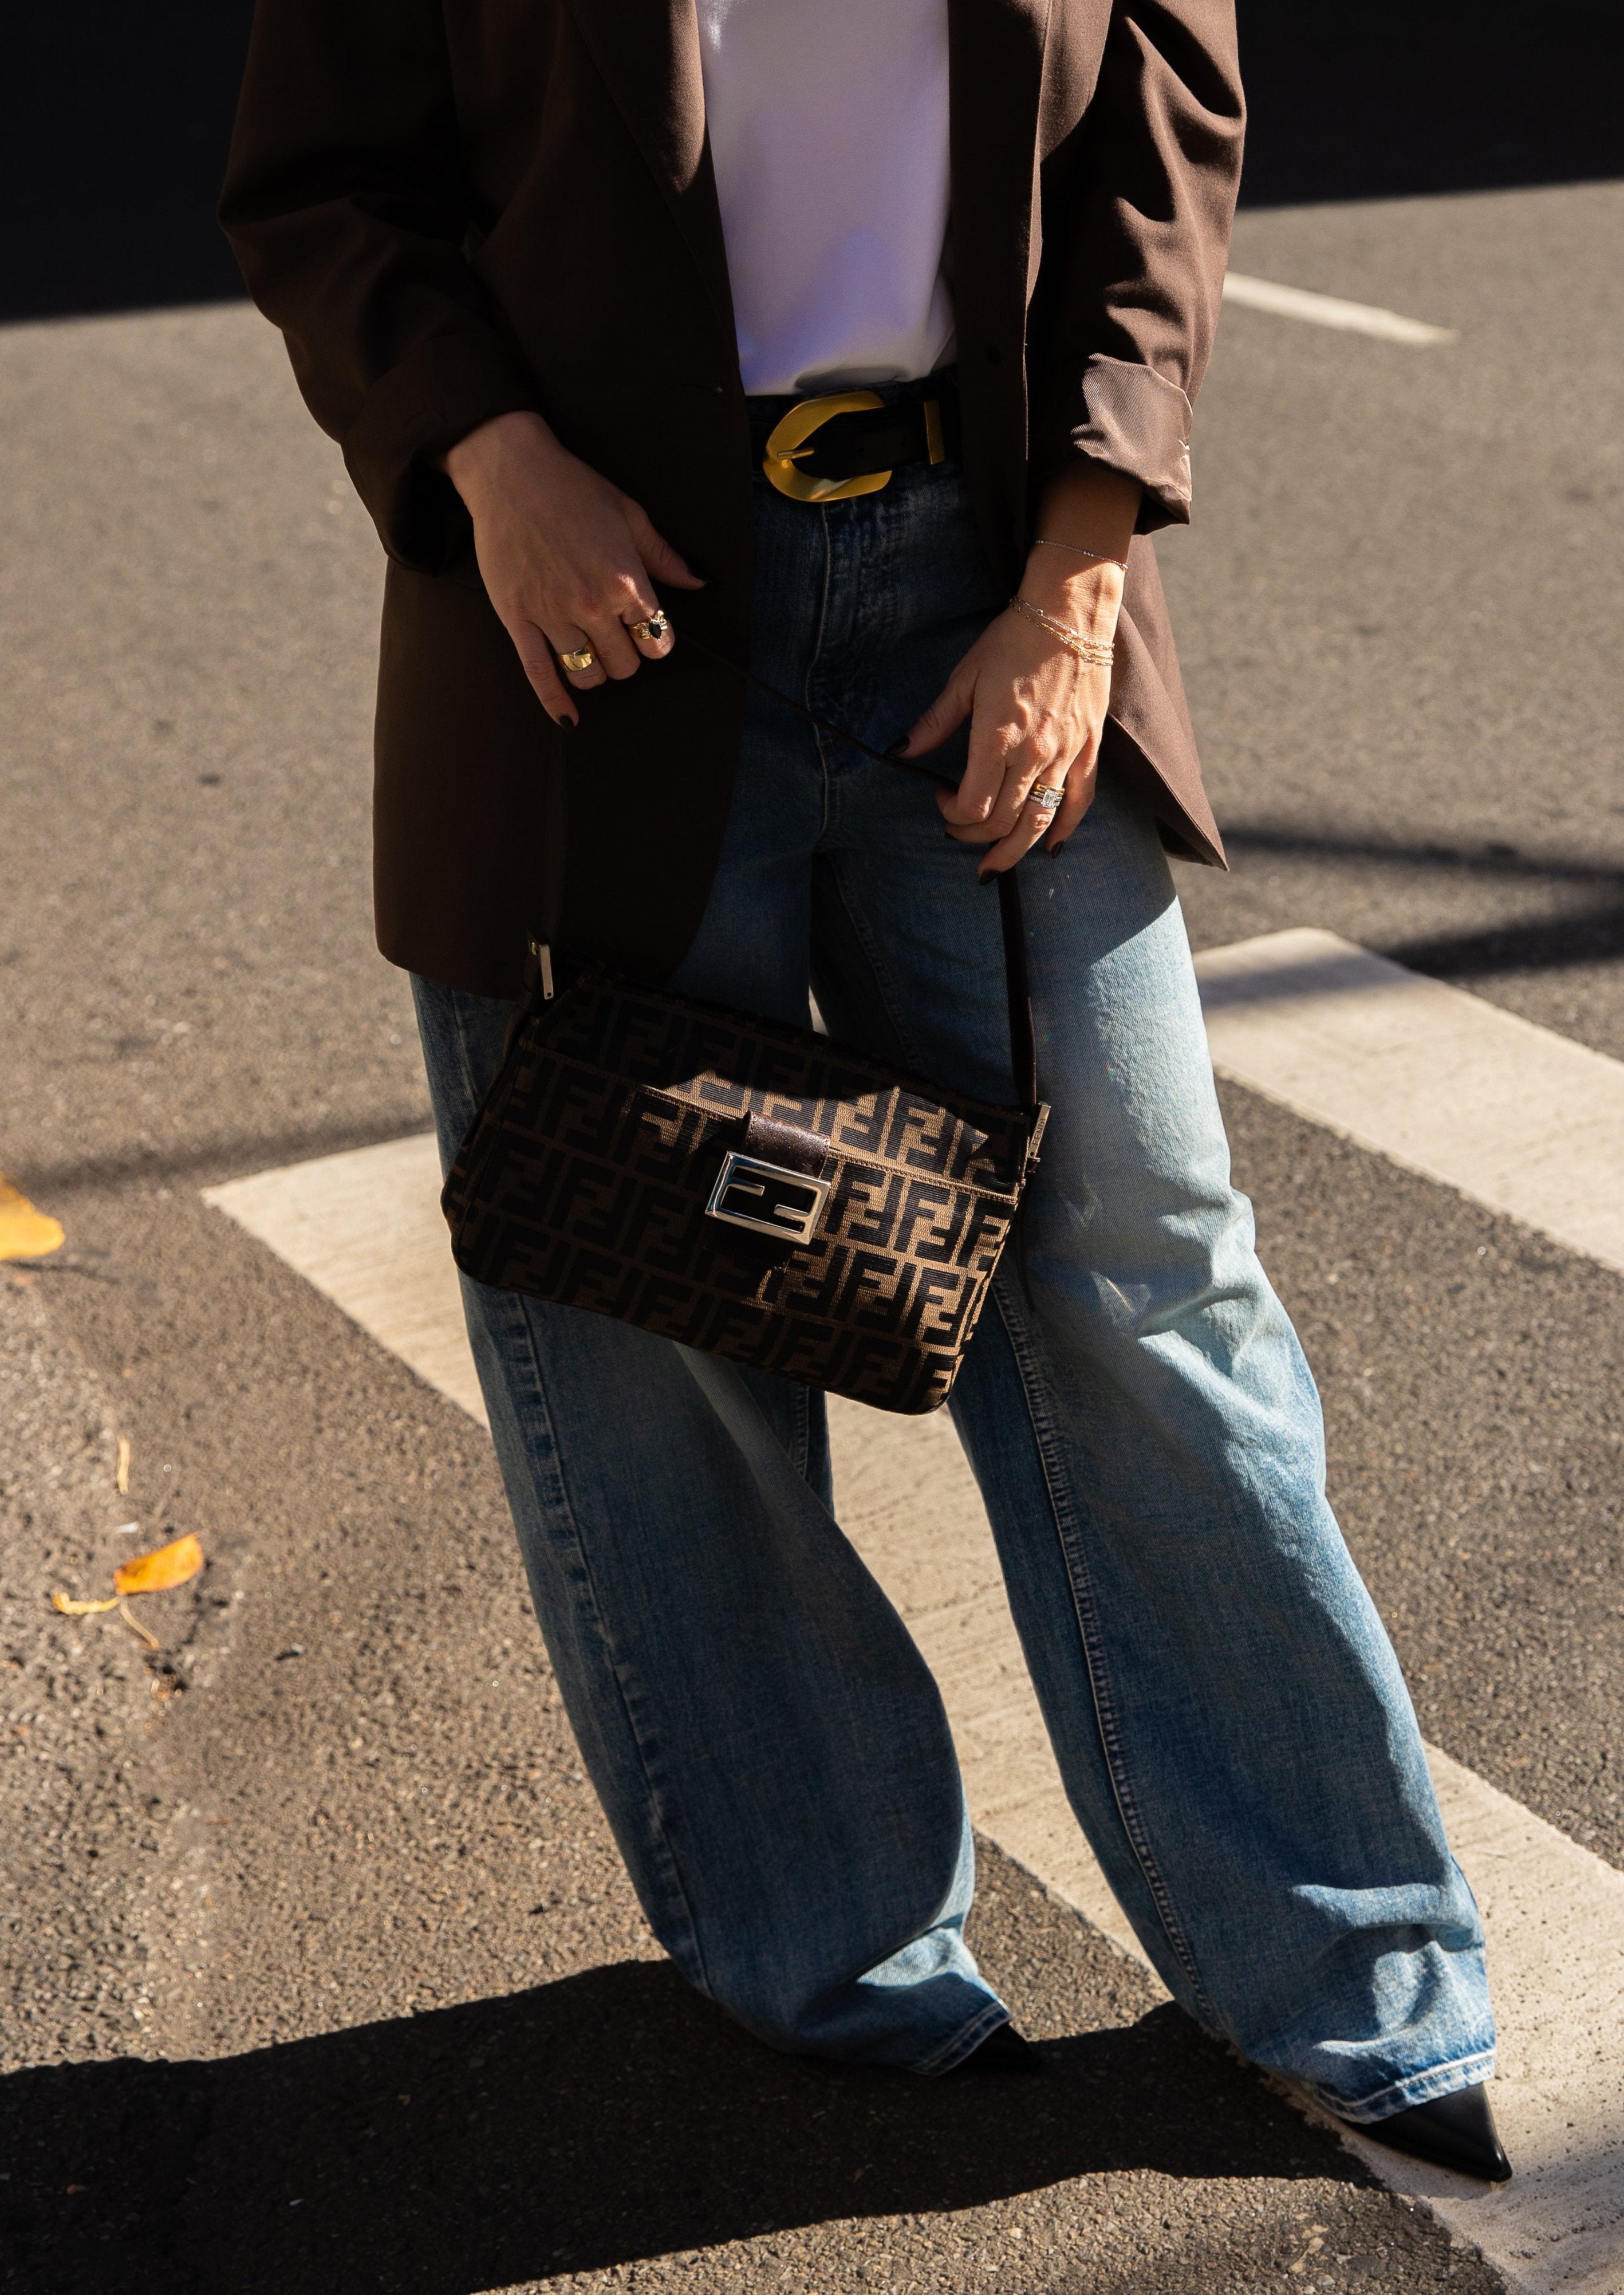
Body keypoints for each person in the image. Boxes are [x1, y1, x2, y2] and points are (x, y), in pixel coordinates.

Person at [221, 0, 1509, 2181]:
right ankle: (826, 1950)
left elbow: (1157, 133)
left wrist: (1079, 569)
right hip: (605, 611)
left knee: (1145, 1276)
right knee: (655, 1311)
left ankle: (1347, 1966)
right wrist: (490, 458)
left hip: (988, 578)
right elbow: (323, 177)